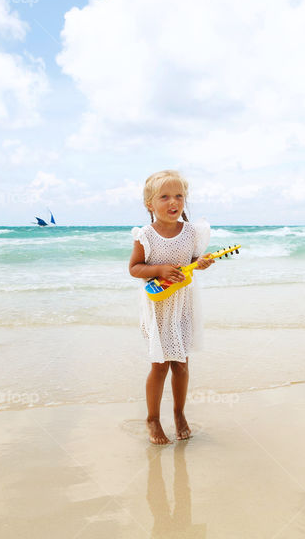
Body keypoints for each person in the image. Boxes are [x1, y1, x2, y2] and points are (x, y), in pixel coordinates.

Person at [129, 170, 212, 445]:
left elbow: (194, 261)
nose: (173, 201)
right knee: (160, 365)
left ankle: (179, 414)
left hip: (183, 306)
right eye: (164, 196)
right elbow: (135, 268)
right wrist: (160, 269)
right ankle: (152, 418)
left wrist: (202, 262)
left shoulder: (191, 233)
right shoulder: (145, 235)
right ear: (150, 204)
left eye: (179, 196)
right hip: (157, 309)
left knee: (181, 364)